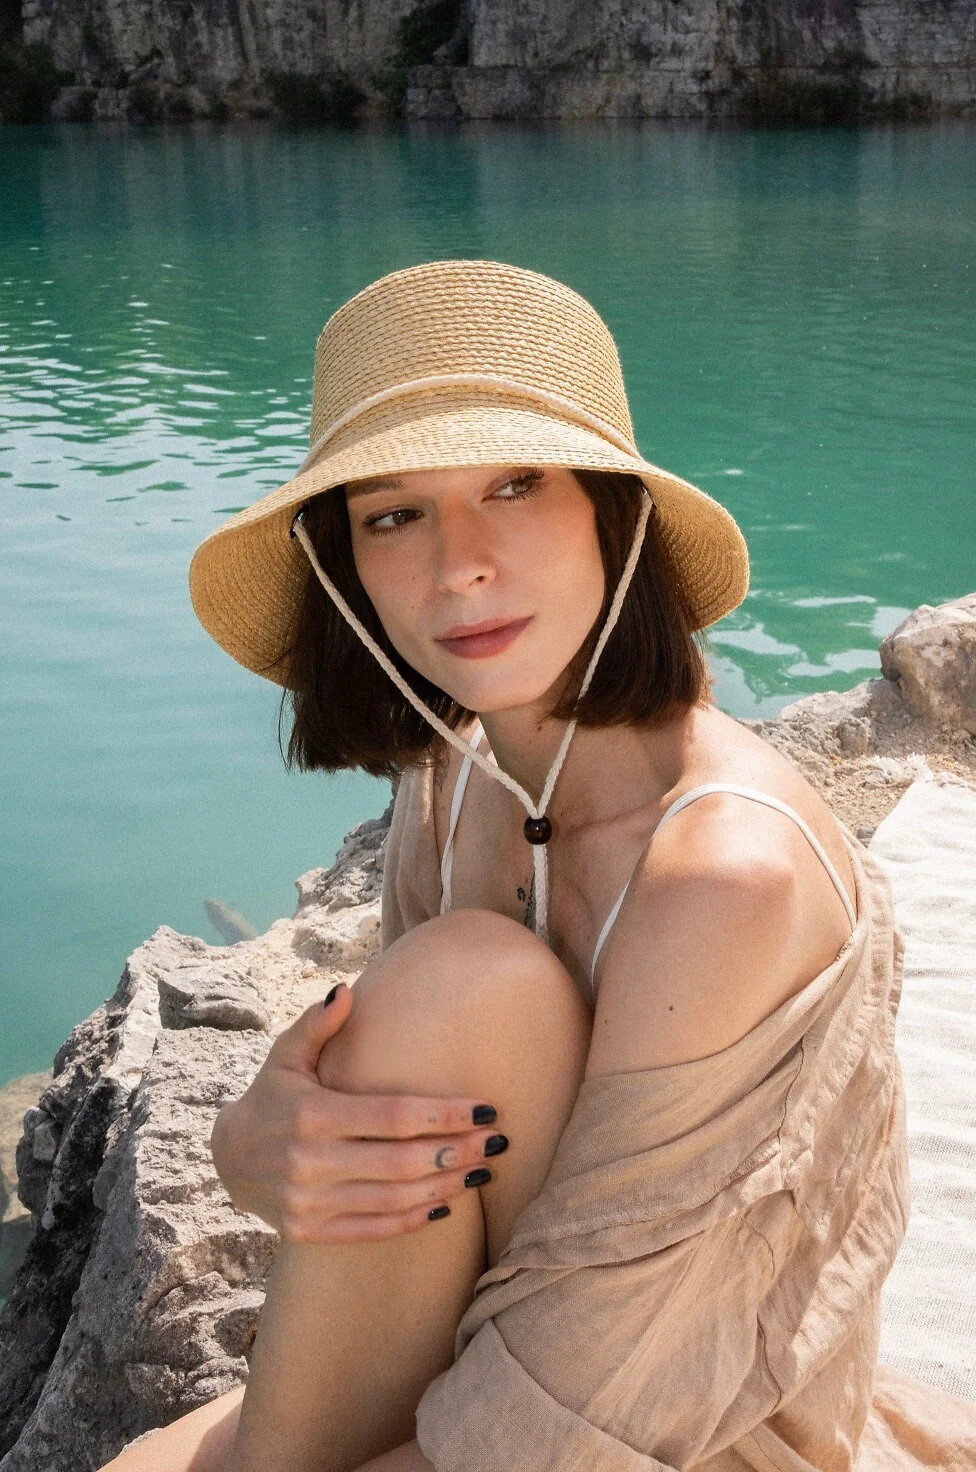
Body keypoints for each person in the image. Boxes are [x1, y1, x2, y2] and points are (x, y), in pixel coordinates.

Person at [103, 260, 976, 1472]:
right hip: (470, 1352)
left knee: (464, 975)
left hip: (662, 1424)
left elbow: (599, 1388)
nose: (458, 563)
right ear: (345, 565)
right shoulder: (457, 772)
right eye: (392, 514)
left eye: (514, 485)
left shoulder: (721, 873)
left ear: (613, 512)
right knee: (462, 981)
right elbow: (419, 1130)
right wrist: (251, 1143)